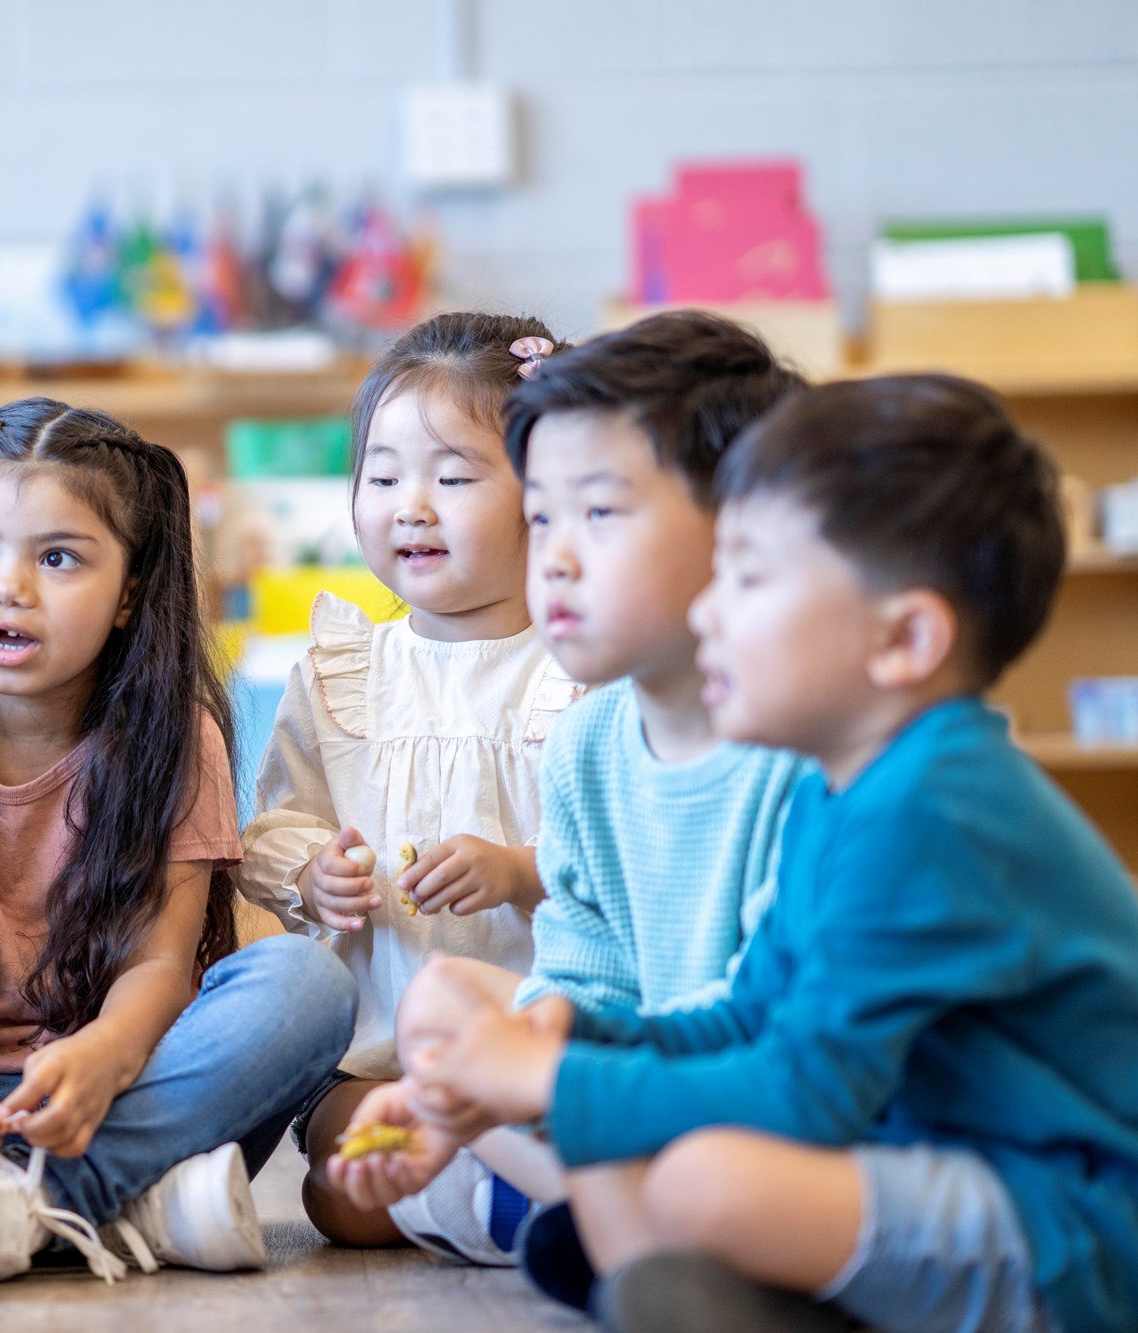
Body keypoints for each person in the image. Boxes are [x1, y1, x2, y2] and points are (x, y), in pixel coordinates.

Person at [382, 376, 1138, 1333]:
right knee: (639, 1135)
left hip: (1083, 1221)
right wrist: (572, 1040)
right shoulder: (847, 788)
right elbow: (751, 1016)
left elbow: (804, 1089)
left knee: (710, 1182)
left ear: (906, 638)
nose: (711, 613)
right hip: (948, 1163)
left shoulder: (933, 805)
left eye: (748, 578)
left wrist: (542, 1081)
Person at [0, 397, 357, 1283]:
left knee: (308, 982)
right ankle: (140, 1201)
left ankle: (17, 1204)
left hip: (129, 1090)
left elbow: (159, 969)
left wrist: (101, 1058)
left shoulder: (176, 742)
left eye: (57, 557)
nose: (7, 587)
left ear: (130, 591)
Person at [331, 312, 811, 1276]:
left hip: (778, 1109)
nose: (550, 553)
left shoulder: (799, 750)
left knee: (709, 1181)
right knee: (439, 1005)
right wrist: (463, 1092)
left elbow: (782, 1048)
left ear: (743, 528)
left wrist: (536, 1079)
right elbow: (585, 982)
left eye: (598, 512)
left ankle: (613, 1221)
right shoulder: (591, 740)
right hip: (655, 1072)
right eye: (541, 514)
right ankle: (605, 1214)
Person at [238, 311, 581, 1250]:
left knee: (549, 1115)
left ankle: (498, 1177)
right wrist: (313, 873)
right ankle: (508, 1190)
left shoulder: (578, 670)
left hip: (537, 1041)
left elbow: (632, 855)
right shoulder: (343, 669)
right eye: (382, 476)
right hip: (378, 1059)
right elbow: (275, 826)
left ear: (546, 493)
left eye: (454, 476)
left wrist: (518, 869)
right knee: (343, 1196)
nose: (409, 505)